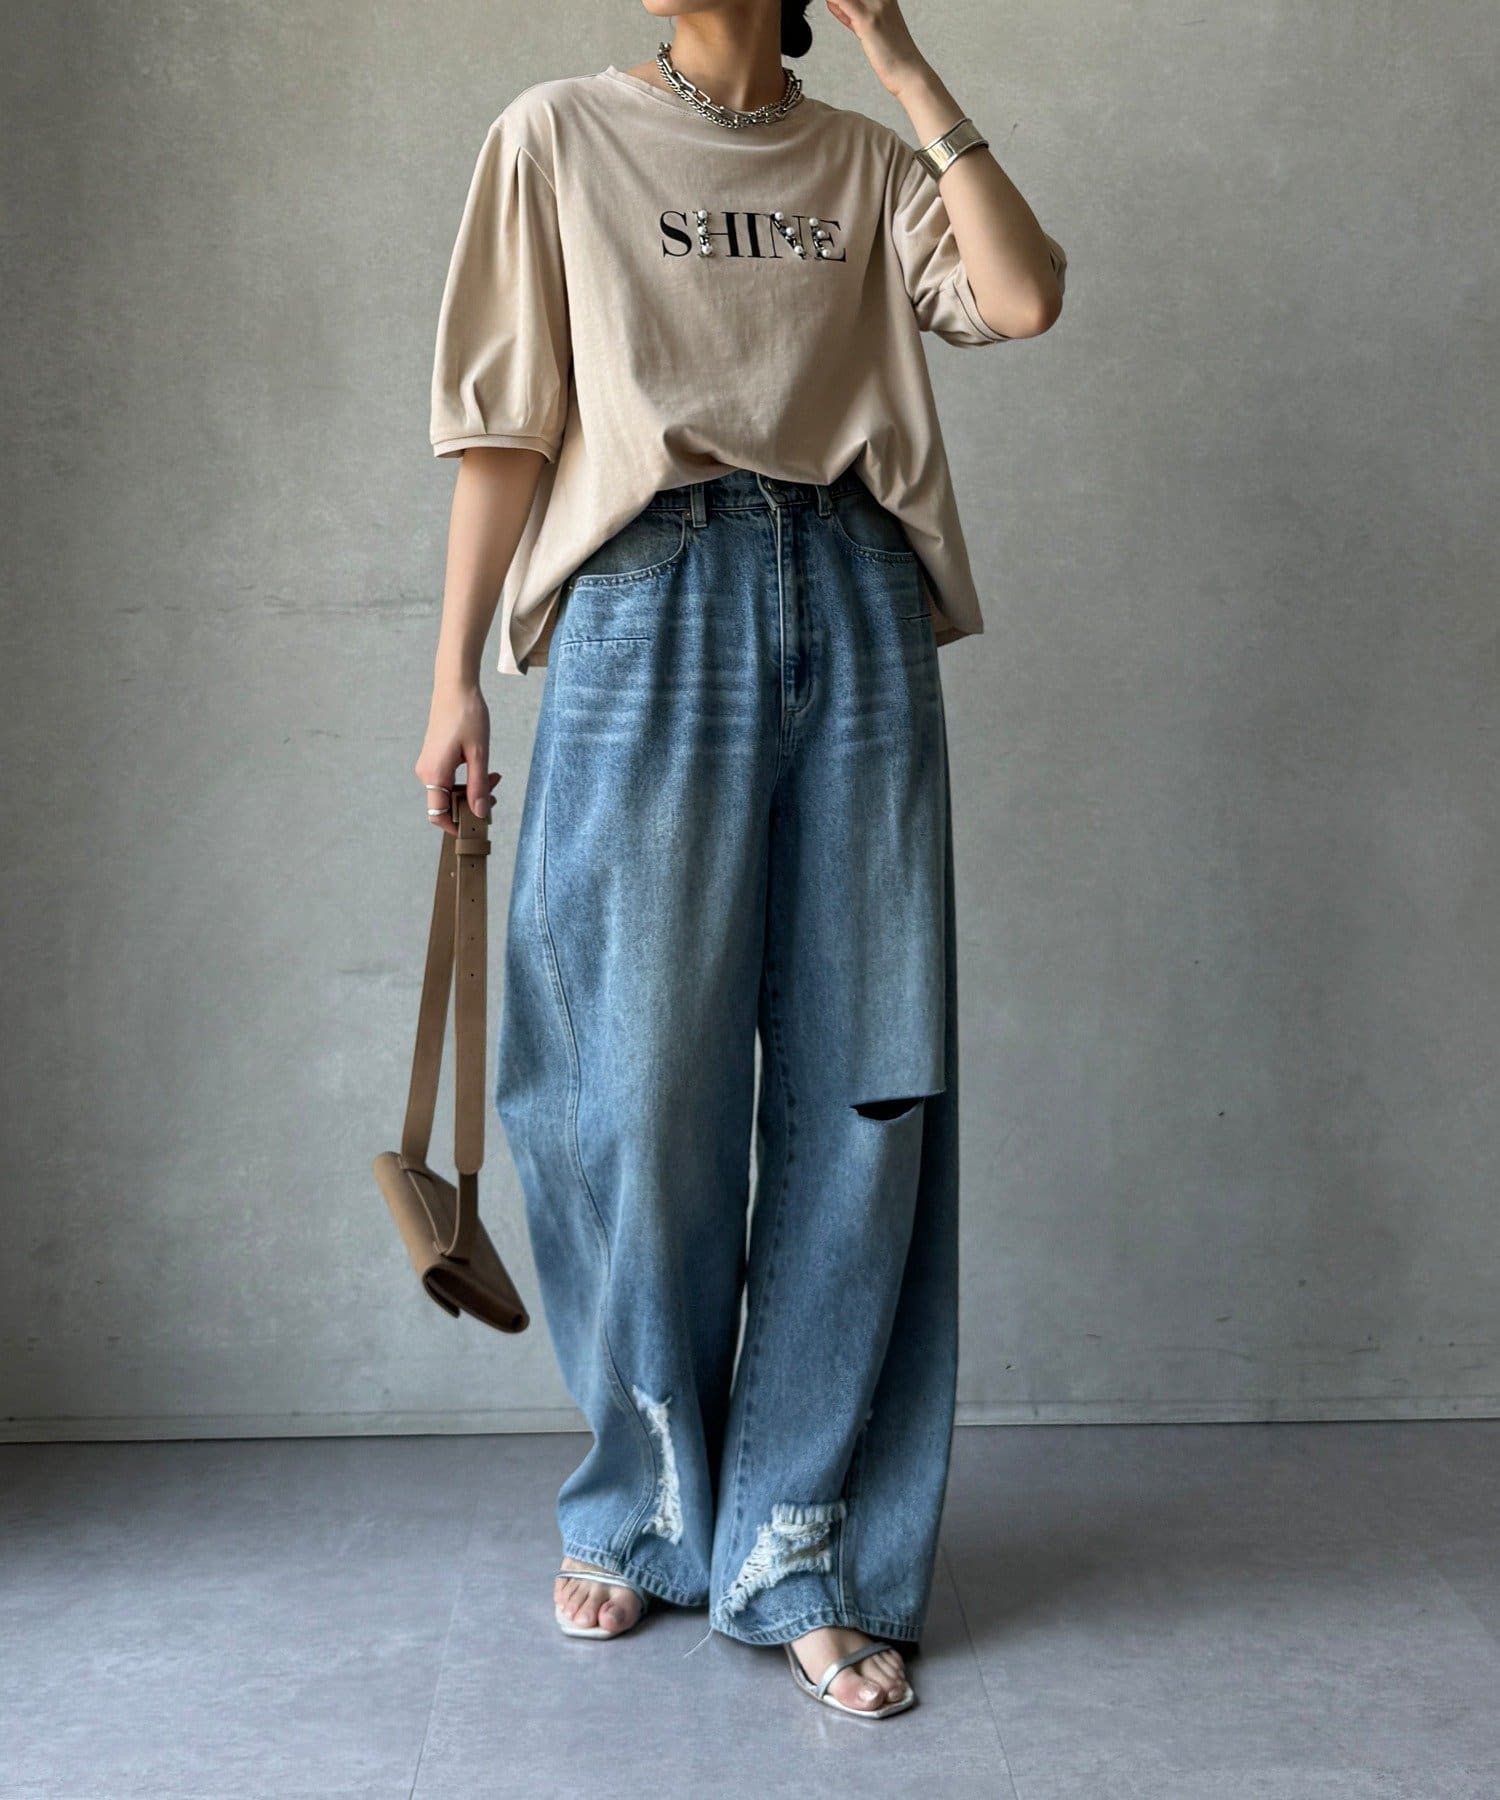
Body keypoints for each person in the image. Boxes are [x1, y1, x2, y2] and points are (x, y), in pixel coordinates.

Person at [415, 0, 1066, 1720]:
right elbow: (507, 422)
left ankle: (804, 1542)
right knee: (627, 1090)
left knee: (868, 1086)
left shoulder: (864, 160)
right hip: (646, 602)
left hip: (856, 593)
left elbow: (1020, 297)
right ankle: (642, 1504)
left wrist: (905, 66)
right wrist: (454, 677)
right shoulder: (556, 136)